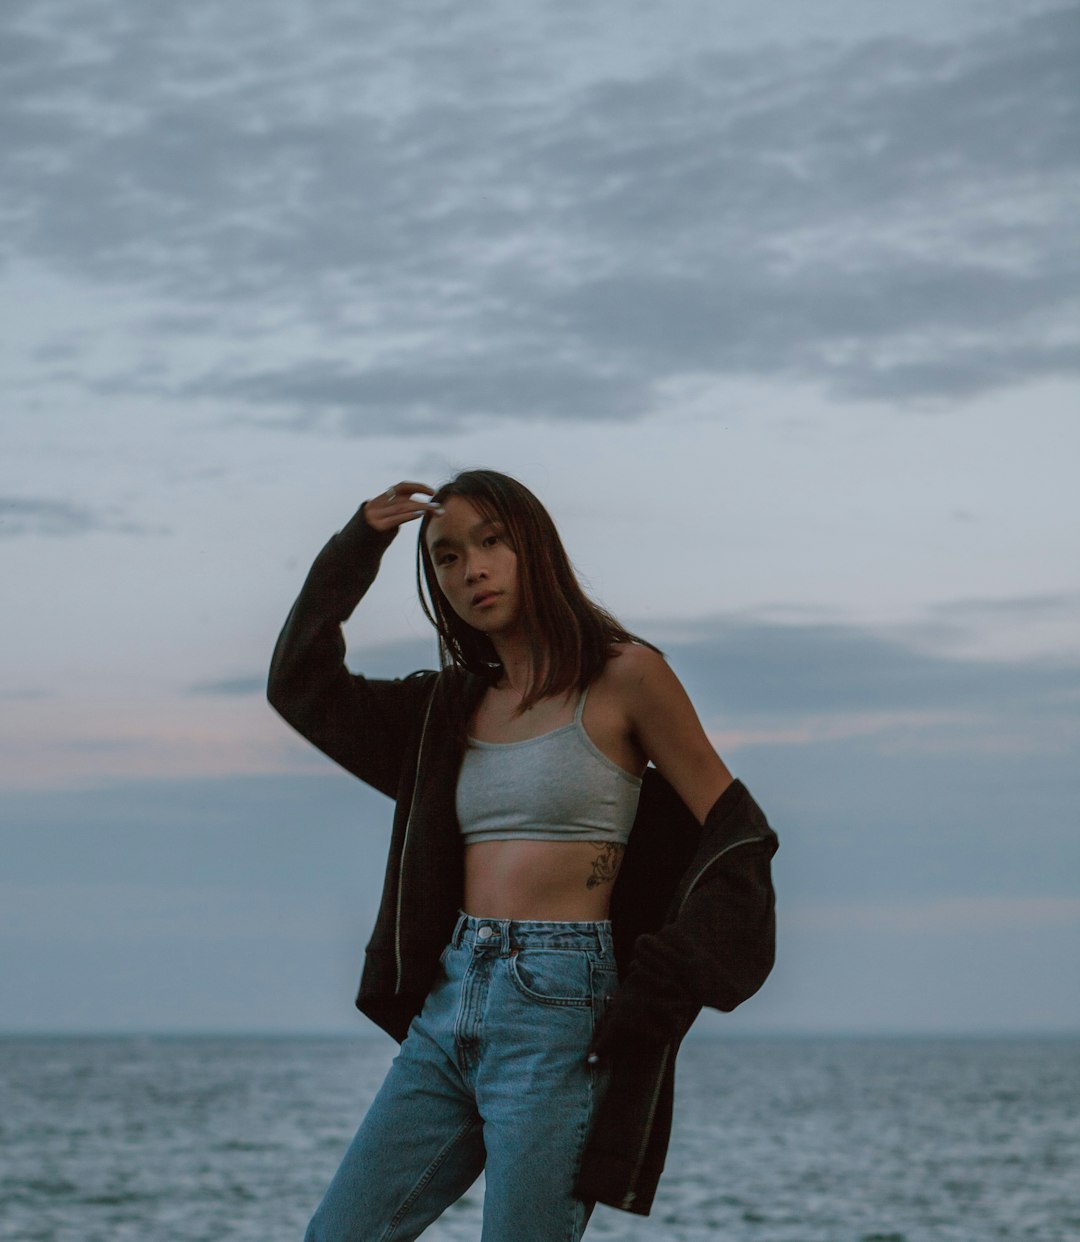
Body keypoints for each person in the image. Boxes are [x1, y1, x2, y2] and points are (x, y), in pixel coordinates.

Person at [267, 469, 779, 1242]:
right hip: (449, 1004)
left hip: (562, 1007)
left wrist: (666, 985)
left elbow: (736, 834)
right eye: (444, 556)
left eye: (490, 542)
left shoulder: (627, 676)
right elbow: (300, 685)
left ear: (531, 546)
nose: (470, 568)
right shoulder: (447, 709)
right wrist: (359, 544)